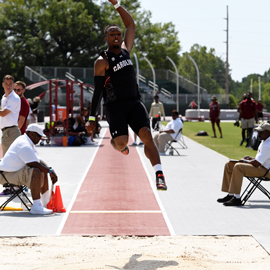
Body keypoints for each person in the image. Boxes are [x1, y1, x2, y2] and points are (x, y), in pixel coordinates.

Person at [85, 0, 167, 190]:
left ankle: (159, 174)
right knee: (122, 142)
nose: (116, 36)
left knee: (146, 134)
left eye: (118, 34)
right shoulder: (102, 62)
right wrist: (92, 118)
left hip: (133, 102)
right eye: (111, 34)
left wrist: (116, 4)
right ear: (105, 38)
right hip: (115, 106)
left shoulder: (125, 50)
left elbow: (131, 24)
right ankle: (119, 146)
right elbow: (97, 92)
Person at [0, 123, 58, 214]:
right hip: (5, 175)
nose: (40, 139)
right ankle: (36, 207)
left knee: (43, 170)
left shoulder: (28, 142)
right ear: (32, 134)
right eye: (39, 137)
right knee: (36, 171)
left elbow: (38, 161)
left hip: (13, 172)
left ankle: (46, 204)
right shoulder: (23, 144)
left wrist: (49, 169)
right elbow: (33, 163)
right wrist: (50, 171)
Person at [217, 121, 270, 206]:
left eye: (261, 132)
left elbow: (257, 164)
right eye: (258, 132)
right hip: (261, 167)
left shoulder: (268, 144)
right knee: (229, 164)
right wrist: (250, 159)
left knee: (239, 166)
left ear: (268, 132)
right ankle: (231, 195)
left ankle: (237, 199)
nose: (258, 134)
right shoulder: (265, 141)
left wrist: (244, 161)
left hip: (266, 171)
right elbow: (261, 159)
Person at [0, 75, 21, 156]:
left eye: (10, 84)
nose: (8, 86)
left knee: (8, 162)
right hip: (6, 132)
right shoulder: (4, 97)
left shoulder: (14, 98)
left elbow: (4, 113)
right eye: (6, 84)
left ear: (13, 85)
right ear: (3, 85)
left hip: (11, 133)